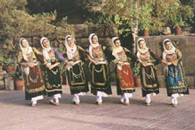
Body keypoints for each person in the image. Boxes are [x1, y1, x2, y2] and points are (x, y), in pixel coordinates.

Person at [62, 35, 94, 105]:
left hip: (78, 65)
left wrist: (78, 61)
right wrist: (67, 62)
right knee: (72, 82)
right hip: (70, 66)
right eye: (68, 40)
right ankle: (76, 97)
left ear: (73, 40)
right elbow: (62, 57)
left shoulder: (78, 47)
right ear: (66, 41)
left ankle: (76, 96)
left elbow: (85, 55)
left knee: (80, 80)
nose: (70, 41)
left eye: (71, 40)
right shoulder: (65, 49)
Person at [18, 38, 45, 107]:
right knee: (30, 85)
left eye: (26, 42)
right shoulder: (21, 52)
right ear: (21, 44)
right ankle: (33, 100)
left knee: (37, 83)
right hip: (28, 70)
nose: (25, 43)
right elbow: (19, 61)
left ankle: (36, 98)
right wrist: (27, 64)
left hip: (36, 68)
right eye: (23, 42)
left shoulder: (33, 49)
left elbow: (41, 57)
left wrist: (37, 63)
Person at [137, 38, 163, 106]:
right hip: (143, 69)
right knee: (145, 83)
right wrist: (141, 62)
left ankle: (150, 95)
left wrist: (152, 63)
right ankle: (147, 98)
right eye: (140, 44)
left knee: (152, 81)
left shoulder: (149, 50)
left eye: (143, 43)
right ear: (138, 45)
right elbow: (136, 59)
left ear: (145, 43)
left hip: (150, 68)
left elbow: (156, 58)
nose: (142, 45)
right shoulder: (138, 52)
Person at [162, 39, 189, 107]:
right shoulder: (164, 53)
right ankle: (173, 99)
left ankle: (175, 99)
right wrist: (164, 62)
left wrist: (172, 62)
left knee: (177, 82)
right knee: (171, 83)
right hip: (169, 69)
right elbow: (161, 60)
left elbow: (180, 58)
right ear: (164, 46)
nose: (168, 46)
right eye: (166, 45)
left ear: (171, 44)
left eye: (169, 44)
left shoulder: (176, 50)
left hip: (177, 68)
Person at [111, 37, 136, 105]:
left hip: (127, 66)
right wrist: (118, 62)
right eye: (116, 43)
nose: (118, 44)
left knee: (128, 81)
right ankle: (125, 98)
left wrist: (133, 60)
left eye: (119, 42)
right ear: (114, 43)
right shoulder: (113, 51)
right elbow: (112, 59)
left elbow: (131, 55)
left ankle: (123, 97)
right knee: (121, 82)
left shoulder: (124, 49)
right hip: (120, 67)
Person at [88, 33, 112, 105]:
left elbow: (108, 54)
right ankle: (98, 97)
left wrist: (106, 61)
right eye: (94, 38)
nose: (95, 40)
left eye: (96, 38)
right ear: (91, 39)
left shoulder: (102, 46)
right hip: (95, 65)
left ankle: (101, 94)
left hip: (103, 64)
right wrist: (94, 61)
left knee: (103, 80)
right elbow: (88, 56)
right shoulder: (90, 48)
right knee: (96, 80)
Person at [40, 37, 63, 106]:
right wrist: (46, 64)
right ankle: (51, 98)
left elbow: (61, 58)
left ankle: (56, 99)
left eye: (46, 41)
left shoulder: (54, 50)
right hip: (47, 69)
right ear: (42, 44)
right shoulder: (42, 51)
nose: (45, 43)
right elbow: (40, 61)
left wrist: (54, 65)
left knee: (56, 82)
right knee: (49, 83)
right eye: (44, 42)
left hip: (55, 67)